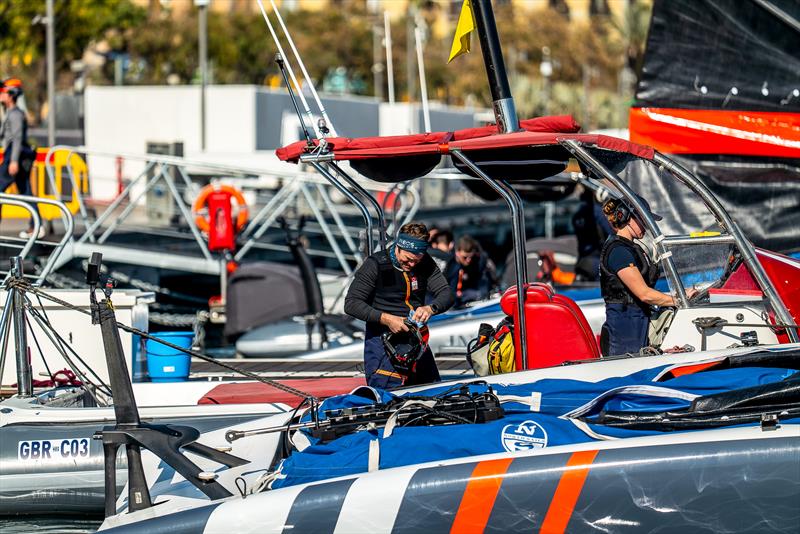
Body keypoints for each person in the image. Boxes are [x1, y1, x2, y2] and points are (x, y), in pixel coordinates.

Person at [344, 222, 454, 389]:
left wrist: (430, 309)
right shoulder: (376, 264)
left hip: (417, 342)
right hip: (383, 344)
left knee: (432, 393)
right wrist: (387, 319)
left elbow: (446, 293)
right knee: (389, 399)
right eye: (408, 260)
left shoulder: (425, 262)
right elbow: (351, 303)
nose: (412, 265)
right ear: (399, 247)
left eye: (417, 260)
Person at [599, 196, 696, 356]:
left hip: (638, 328)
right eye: (643, 219)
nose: (647, 225)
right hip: (625, 337)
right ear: (625, 216)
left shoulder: (631, 248)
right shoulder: (618, 251)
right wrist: (680, 299)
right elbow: (644, 294)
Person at [0, 78, 40, 238]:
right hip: (15, 153)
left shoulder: (15, 114)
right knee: (25, 191)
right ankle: (36, 225)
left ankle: (36, 225)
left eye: (3, 91)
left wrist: (14, 161)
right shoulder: (10, 112)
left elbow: (16, 138)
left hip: (14, 154)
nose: (0, 94)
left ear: (11, 95)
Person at [444, 235, 498, 307]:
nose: (469, 260)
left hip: (476, 300)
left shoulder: (479, 260)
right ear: (457, 252)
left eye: (471, 257)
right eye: (465, 257)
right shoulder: (450, 264)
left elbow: (484, 283)